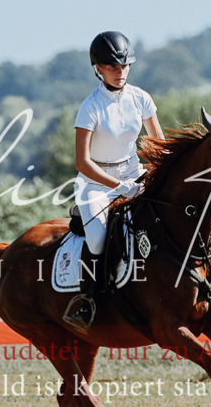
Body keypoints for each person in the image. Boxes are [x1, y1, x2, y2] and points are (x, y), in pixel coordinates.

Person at [62, 31, 164, 333]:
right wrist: (118, 187)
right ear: (98, 68)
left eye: (125, 66)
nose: (121, 72)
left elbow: (159, 144)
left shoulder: (141, 98)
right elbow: (82, 162)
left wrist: (158, 173)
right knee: (97, 239)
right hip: (95, 183)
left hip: (133, 173)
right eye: (113, 67)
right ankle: (87, 301)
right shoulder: (90, 107)